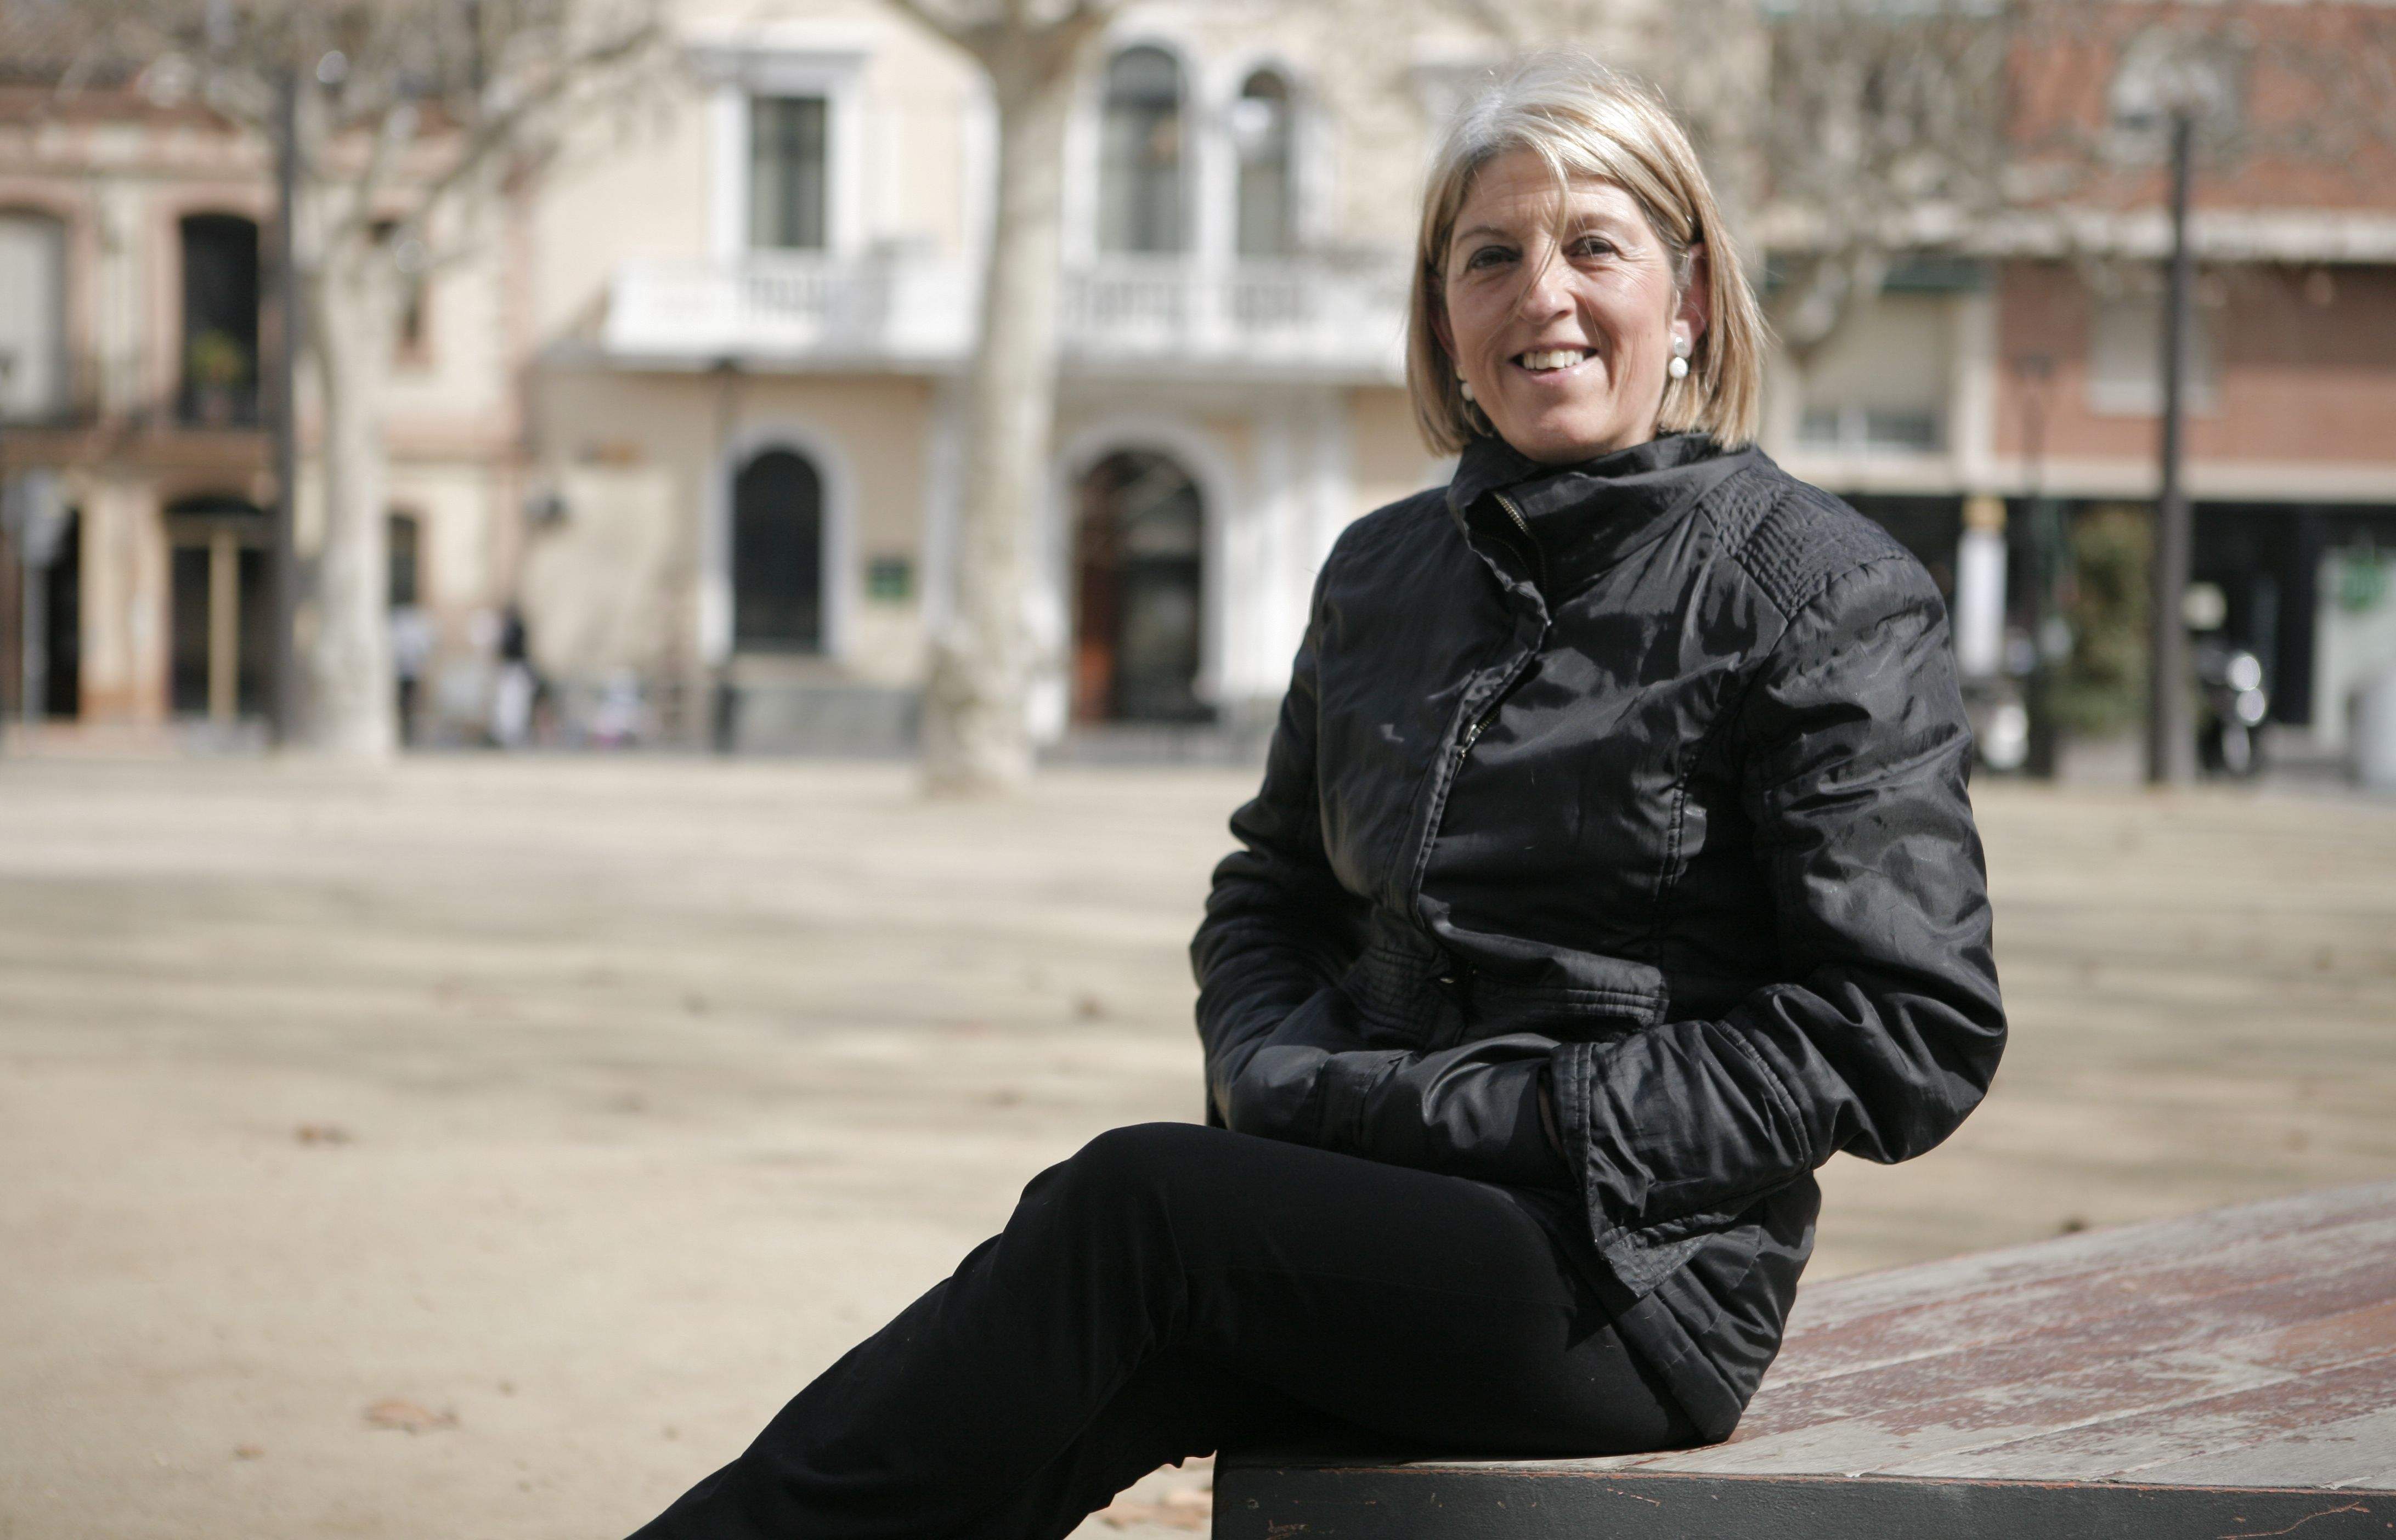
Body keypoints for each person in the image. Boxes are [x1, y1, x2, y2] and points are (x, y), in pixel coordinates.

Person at [625, 52, 2004, 1540]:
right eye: (1492, 255)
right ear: (1442, 315)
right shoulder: (1381, 573)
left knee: (1134, 1215)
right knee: (1028, 1394)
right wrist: (1278, 1067)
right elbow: (1271, 889)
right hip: (1355, 1185)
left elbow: (1909, 1026)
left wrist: (1533, 1113)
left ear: (1691, 304)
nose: (1541, 293)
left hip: (1627, 1274)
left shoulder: (1823, 592)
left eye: (1592, 246)